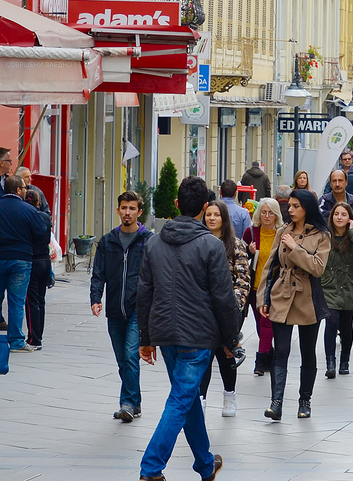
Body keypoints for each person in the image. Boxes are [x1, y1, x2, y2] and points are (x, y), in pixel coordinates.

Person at [135, 176, 235, 481]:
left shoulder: (153, 242)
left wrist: (145, 338)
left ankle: (205, 464)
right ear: (205, 207)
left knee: (188, 398)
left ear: (177, 204)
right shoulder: (210, 244)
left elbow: (143, 292)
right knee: (180, 399)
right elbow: (223, 297)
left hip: (166, 334)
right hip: (198, 335)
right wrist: (231, 339)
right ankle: (151, 468)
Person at [258, 187, 330, 420]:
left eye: (295, 206)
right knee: (281, 351)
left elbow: (318, 267)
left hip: (308, 297)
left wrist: (295, 248)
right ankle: (276, 403)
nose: (290, 209)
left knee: (308, 352)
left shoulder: (321, 235)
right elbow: (270, 267)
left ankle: (304, 401)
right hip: (282, 294)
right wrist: (264, 298)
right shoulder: (283, 231)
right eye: (289, 205)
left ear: (307, 208)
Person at [91, 191, 150, 422]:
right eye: (124, 208)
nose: (127, 212)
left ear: (139, 212)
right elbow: (98, 273)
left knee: (130, 355)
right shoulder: (108, 241)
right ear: (118, 210)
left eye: (132, 208)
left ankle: (127, 402)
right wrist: (96, 298)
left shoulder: (148, 240)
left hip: (138, 307)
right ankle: (134, 403)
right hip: (115, 307)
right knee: (122, 359)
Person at [0, 174, 48, 352]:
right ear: (18, 190)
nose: (26, 191)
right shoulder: (28, 210)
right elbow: (41, 234)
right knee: (16, 301)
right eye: (24, 188)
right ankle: (16, 340)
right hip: (21, 259)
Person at [198, 200, 252, 417]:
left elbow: (243, 279)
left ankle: (229, 396)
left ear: (224, 219)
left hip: (228, 310)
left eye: (216, 215)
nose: (211, 218)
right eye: (208, 214)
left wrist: (233, 306)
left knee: (226, 355)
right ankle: (200, 399)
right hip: (203, 311)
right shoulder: (198, 242)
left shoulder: (236, 244)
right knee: (204, 356)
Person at [319, 200, 353, 378]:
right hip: (329, 286)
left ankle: (345, 361)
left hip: (349, 286)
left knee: (346, 326)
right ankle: (330, 362)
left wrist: (352, 231)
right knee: (331, 322)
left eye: (344, 214)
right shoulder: (324, 235)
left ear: (349, 218)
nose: (339, 218)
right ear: (331, 216)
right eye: (336, 214)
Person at [245, 196, 282, 376]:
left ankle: (260, 362)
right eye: (264, 212)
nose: (267, 216)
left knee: (267, 324)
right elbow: (240, 259)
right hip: (254, 288)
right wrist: (248, 251)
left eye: (271, 213)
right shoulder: (250, 233)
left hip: (273, 289)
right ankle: (270, 356)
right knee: (261, 326)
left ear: (276, 216)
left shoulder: (281, 234)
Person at [22, 185, 57, 350]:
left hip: (33, 260)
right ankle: (39, 335)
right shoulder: (45, 217)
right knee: (41, 301)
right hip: (45, 260)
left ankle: (34, 338)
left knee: (31, 302)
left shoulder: (27, 216)